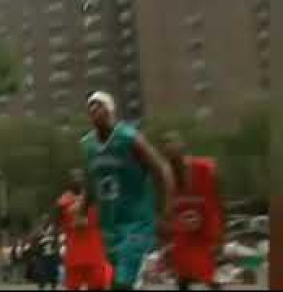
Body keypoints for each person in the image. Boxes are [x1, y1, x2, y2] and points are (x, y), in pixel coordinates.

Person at [78, 91, 176, 290]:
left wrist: (166, 210)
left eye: (99, 105)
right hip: (110, 224)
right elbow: (90, 182)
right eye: (90, 107)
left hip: (137, 221)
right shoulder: (87, 145)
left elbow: (162, 169)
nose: (94, 110)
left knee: (122, 281)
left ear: (111, 111)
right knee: (120, 278)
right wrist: (81, 211)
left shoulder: (129, 137)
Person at [161, 131, 223, 290]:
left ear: (182, 147)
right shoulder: (168, 172)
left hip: (204, 224)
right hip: (184, 225)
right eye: (167, 148)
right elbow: (169, 201)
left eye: (173, 145)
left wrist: (216, 230)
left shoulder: (203, 167)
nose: (170, 150)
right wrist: (167, 224)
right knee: (183, 269)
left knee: (205, 270)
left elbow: (215, 198)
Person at [55, 169, 113, 290]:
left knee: (97, 286)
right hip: (76, 255)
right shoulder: (64, 202)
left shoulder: (96, 202)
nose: (78, 180)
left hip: (94, 254)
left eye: (80, 177)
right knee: (74, 287)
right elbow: (74, 221)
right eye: (74, 178)